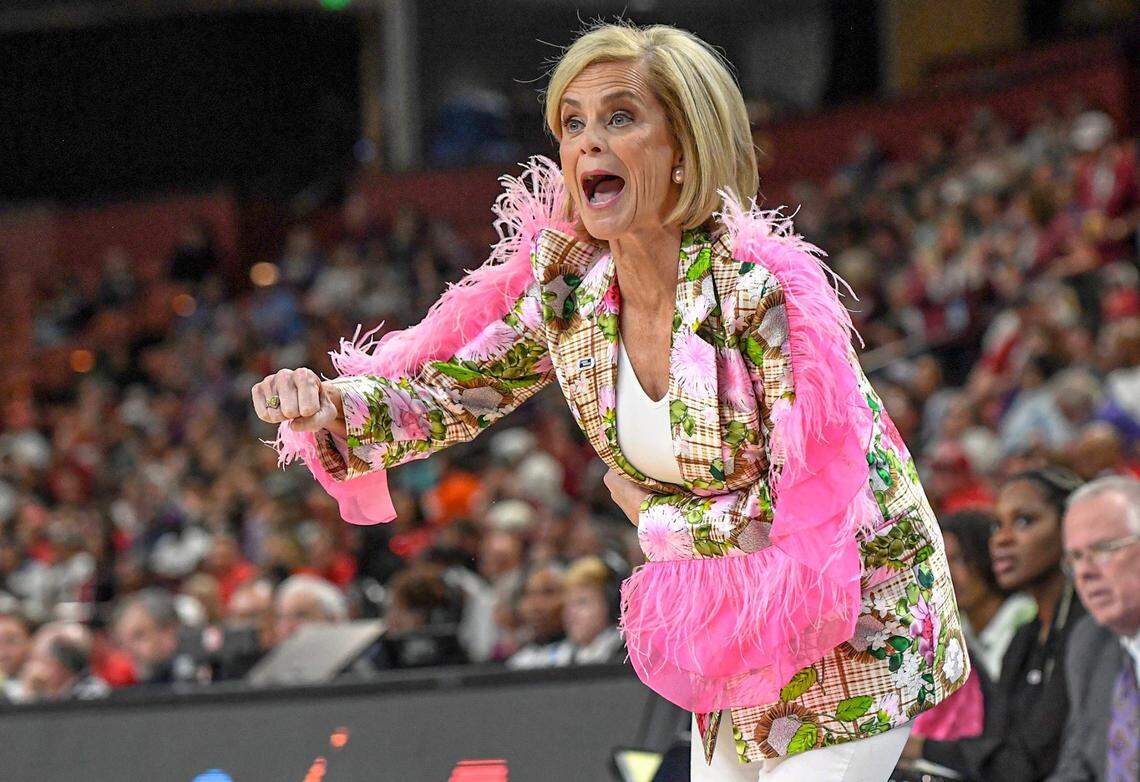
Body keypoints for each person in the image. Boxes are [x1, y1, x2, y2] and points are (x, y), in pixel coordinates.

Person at [253, 21, 968, 779]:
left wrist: (654, 519)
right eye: (573, 123)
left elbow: (815, 514)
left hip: (858, 621)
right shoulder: (574, 294)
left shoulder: (762, 295)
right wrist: (331, 407)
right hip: (738, 627)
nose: (588, 142)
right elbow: (449, 393)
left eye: (620, 117)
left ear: (685, 146)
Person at [905, 467, 1086, 781]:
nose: (1002, 539)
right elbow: (995, 748)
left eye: (1024, 521)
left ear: (1069, 527)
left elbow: (1026, 763)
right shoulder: (1025, 637)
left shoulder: (1087, 631)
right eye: (997, 526)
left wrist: (923, 748)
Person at [1048, 475, 1140, 781]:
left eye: (1103, 549)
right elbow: (1076, 767)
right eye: (1075, 557)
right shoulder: (1089, 641)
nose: (1084, 572)